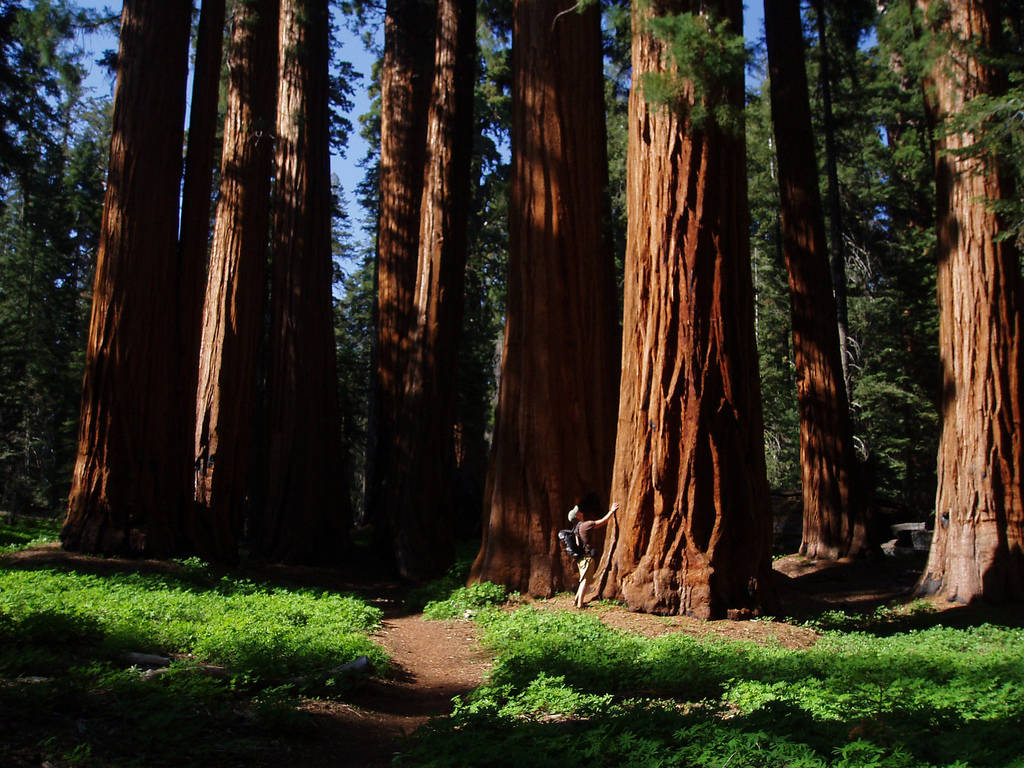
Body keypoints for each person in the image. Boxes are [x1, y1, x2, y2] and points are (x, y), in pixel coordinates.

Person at [567, 496, 619, 609]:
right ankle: (580, 604)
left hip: (580, 559)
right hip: (587, 558)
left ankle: (576, 600)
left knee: (583, 579)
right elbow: (603, 522)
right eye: (578, 512)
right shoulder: (586, 525)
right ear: (577, 516)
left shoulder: (576, 528)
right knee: (585, 580)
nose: (581, 512)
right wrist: (612, 511)